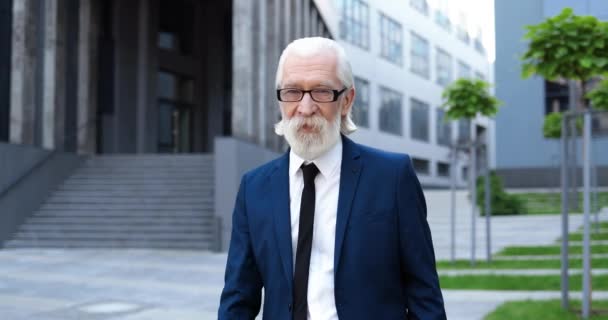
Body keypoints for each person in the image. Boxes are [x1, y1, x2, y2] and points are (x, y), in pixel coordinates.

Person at [218, 37, 446, 320]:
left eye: (321, 92)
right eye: (292, 92)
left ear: (347, 100)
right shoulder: (254, 187)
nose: (305, 107)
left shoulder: (392, 177)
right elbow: (238, 298)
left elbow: (425, 298)